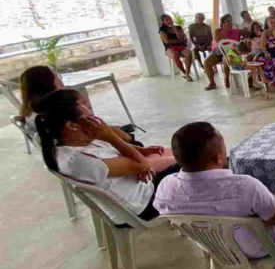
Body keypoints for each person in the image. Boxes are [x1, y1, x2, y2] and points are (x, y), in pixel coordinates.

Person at [33, 89, 178, 222]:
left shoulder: (79, 142)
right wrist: (111, 137)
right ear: (71, 126)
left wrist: (140, 157)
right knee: (196, 165)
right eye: (90, 117)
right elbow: (143, 165)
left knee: (189, 160)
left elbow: (131, 160)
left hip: (142, 189)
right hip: (143, 205)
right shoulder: (78, 161)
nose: (98, 122)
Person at [154, 122, 275, 257]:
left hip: (213, 248)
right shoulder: (245, 186)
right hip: (258, 249)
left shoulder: (166, 187)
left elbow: (165, 213)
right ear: (218, 158)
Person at [18, 66, 139, 144]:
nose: (61, 80)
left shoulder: (32, 113)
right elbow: (96, 129)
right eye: (57, 76)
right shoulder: (59, 112)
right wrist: (127, 139)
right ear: (47, 84)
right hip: (99, 147)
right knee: (124, 135)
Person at [204, 14, 241, 90]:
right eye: (228, 21)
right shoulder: (218, 30)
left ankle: (226, 78)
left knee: (226, 61)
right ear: (223, 22)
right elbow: (218, 41)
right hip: (218, 51)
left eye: (231, 20)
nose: (230, 23)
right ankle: (212, 83)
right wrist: (224, 30)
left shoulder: (235, 31)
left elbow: (237, 43)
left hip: (230, 52)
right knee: (206, 62)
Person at [158, 14, 193, 81]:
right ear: (163, 22)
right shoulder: (162, 30)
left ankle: (187, 73)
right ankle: (184, 72)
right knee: (174, 55)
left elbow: (182, 38)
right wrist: (178, 40)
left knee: (188, 53)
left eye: (170, 19)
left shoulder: (178, 27)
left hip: (180, 46)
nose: (169, 21)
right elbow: (167, 41)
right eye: (166, 20)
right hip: (169, 48)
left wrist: (175, 29)